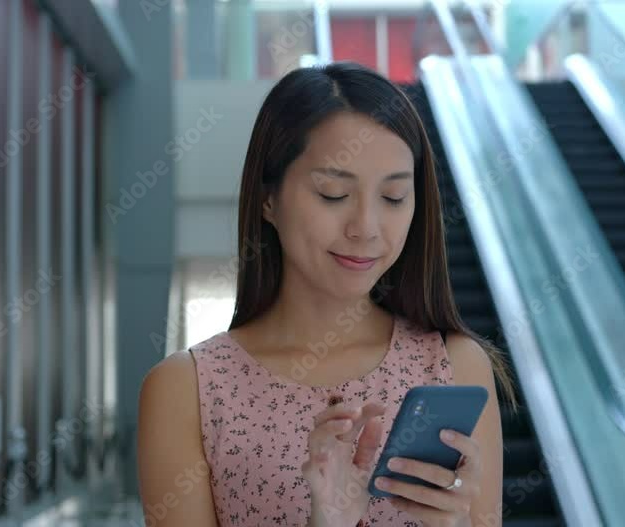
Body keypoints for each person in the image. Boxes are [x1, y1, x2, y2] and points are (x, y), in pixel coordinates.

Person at [137, 61, 518, 526]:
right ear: (268, 199)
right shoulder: (188, 390)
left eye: (394, 198)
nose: (366, 228)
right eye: (333, 194)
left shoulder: (455, 366)